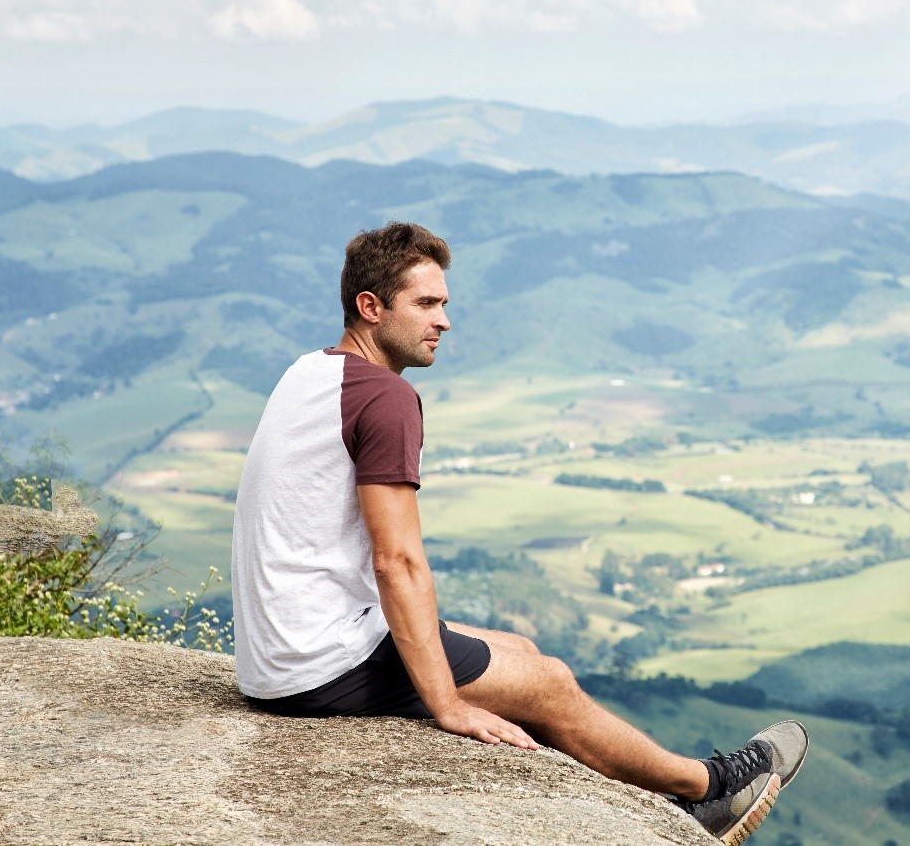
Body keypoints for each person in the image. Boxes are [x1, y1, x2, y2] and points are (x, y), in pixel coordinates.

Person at [231, 221, 808, 844]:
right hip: (320, 661)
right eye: (426, 304)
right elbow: (397, 561)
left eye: (444, 304)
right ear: (370, 308)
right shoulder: (387, 398)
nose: (444, 321)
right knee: (551, 682)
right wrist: (447, 706)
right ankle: (711, 789)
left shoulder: (311, 370)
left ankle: (623, 799)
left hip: (283, 651)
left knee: (524, 652)